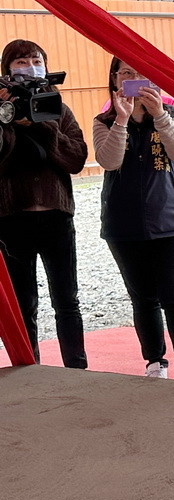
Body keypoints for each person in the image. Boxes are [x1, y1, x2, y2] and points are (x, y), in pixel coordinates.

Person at [93, 59, 174, 380]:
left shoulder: (172, 113)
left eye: (142, 73)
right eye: (127, 73)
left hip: (171, 220)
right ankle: (154, 362)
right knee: (143, 299)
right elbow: (108, 161)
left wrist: (158, 116)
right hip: (122, 223)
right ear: (115, 79)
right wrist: (122, 120)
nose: (134, 79)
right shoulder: (105, 119)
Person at [0, 39, 88, 368]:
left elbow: (77, 158)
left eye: (35, 60)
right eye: (20, 62)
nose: (29, 67)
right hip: (12, 219)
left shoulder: (59, 108)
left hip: (57, 218)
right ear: (7, 70)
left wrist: (45, 124)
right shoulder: (1, 109)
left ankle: (77, 367)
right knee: (24, 304)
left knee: (67, 300)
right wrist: (7, 120)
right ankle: (28, 368)